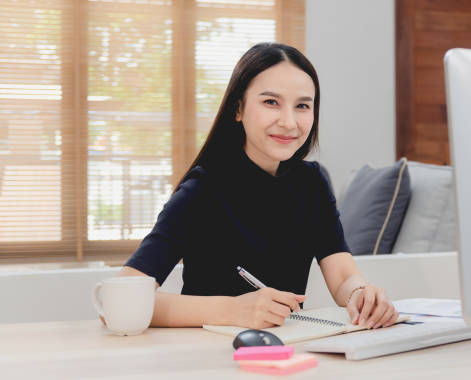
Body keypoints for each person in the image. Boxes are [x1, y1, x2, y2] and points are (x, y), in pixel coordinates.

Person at [116, 42, 399, 330]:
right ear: (238, 109)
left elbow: (342, 277)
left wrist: (362, 294)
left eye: (302, 106)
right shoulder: (203, 188)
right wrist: (232, 309)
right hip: (210, 354)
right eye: (270, 102)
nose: (289, 122)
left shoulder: (312, 182)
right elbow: (123, 299)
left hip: (287, 355)